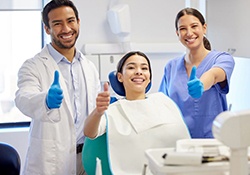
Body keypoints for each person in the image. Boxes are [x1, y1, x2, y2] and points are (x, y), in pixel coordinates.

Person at [14, 0, 100, 174]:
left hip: (87, 157)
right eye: (57, 24)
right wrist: (45, 101)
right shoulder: (33, 66)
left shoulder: (89, 66)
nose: (66, 29)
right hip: (53, 161)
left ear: (78, 22)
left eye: (70, 21)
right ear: (47, 29)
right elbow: (23, 98)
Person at [83, 51, 190, 175]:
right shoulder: (113, 111)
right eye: (131, 67)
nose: (139, 71)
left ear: (149, 77)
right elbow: (90, 133)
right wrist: (98, 112)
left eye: (144, 68)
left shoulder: (164, 102)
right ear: (120, 77)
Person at [158, 7, 235, 138]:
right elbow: (161, 104)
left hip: (213, 141)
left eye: (194, 26)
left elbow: (214, 75)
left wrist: (202, 83)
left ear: (204, 28)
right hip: (178, 141)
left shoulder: (222, 59)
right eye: (182, 29)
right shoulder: (171, 67)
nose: (189, 33)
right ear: (177, 33)